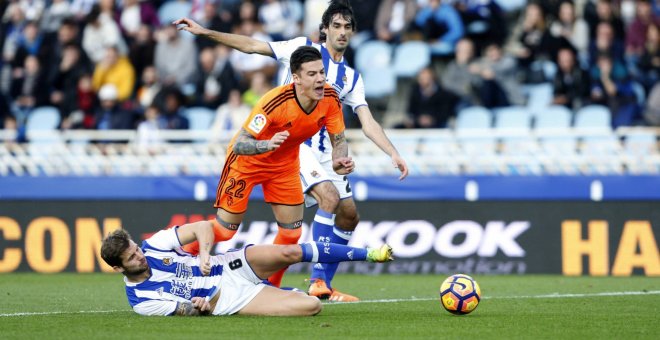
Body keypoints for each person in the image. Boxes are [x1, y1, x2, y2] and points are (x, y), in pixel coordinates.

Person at [173, 0, 408, 301]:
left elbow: (366, 120)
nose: (342, 32)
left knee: (348, 215)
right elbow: (251, 46)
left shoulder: (350, 78)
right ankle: (317, 281)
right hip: (292, 145)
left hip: (323, 151)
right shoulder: (300, 49)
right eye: (335, 26)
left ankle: (302, 284)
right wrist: (206, 32)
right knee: (328, 199)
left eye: (347, 27)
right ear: (324, 29)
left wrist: (392, 152)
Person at [178, 46, 353, 289]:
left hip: (284, 167)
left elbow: (339, 141)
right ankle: (176, 259)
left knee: (292, 235)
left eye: (322, 72)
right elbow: (240, 143)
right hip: (246, 165)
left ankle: (269, 287)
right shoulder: (274, 102)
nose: (321, 79)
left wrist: (339, 160)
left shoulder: (330, 99)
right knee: (224, 231)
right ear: (297, 79)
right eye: (312, 74)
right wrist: (267, 145)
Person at [100, 220, 393, 316]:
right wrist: (198, 305)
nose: (140, 255)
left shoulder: (154, 246)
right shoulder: (142, 302)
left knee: (290, 250)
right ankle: (286, 292)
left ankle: (370, 253)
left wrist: (203, 252)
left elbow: (203, 227)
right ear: (118, 268)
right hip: (226, 298)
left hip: (228, 266)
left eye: (136, 249)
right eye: (132, 258)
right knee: (311, 306)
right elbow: (184, 310)